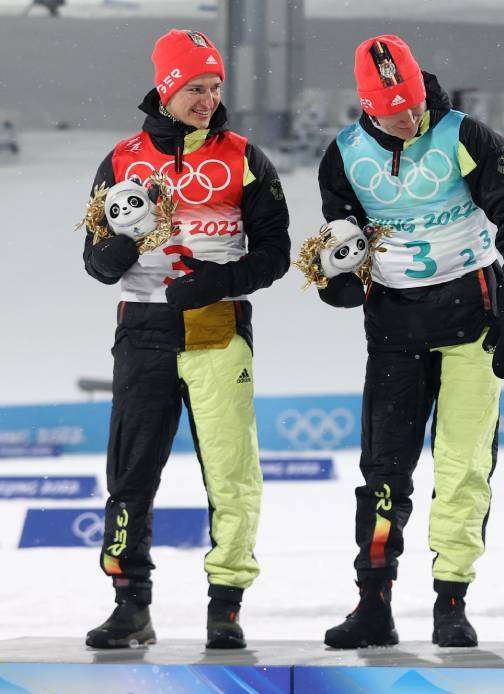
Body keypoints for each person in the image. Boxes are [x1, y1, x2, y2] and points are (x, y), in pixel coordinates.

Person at [315, 35, 504, 648]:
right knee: (384, 471)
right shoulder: (341, 157)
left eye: (414, 104)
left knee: (465, 467)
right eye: (392, 110)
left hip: (473, 318)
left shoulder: (466, 137)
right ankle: (373, 602)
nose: (408, 118)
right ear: (366, 106)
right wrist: (336, 287)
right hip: (394, 329)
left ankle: (452, 600)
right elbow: (343, 253)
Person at [81, 28, 290, 649]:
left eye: (214, 87)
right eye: (194, 87)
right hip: (141, 327)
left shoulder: (247, 158)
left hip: (217, 325)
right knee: (131, 470)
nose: (207, 98)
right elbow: (95, 263)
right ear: (166, 90)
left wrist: (213, 283)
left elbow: (276, 255)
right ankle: (130, 604)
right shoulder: (121, 160)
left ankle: (225, 606)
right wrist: (122, 241)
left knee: (230, 473)